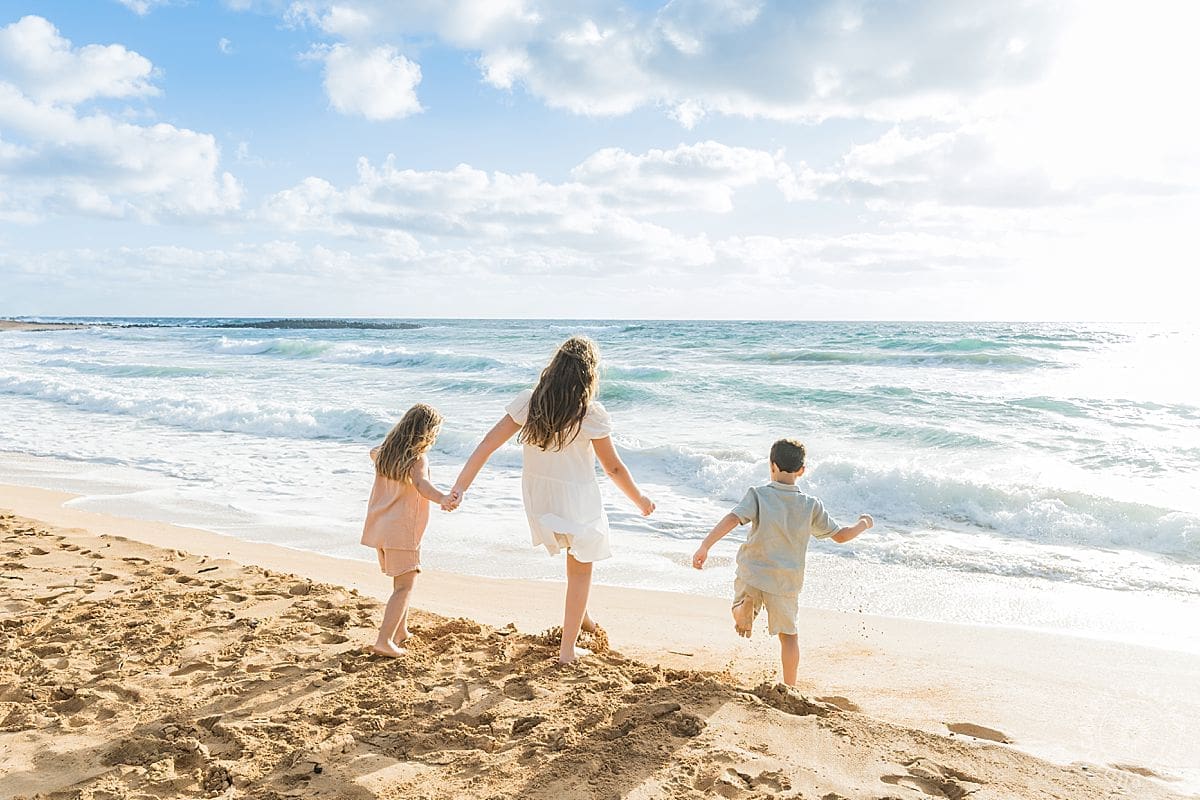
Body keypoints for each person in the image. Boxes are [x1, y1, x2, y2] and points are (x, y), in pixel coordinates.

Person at [446, 336, 655, 664]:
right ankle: (567, 650)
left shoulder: (530, 403)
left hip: (541, 498)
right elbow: (613, 468)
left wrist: (460, 487)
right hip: (577, 499)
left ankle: (583, 619)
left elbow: (487, 444)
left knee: (576, 560)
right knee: (580, 570)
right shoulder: (588, 413)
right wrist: (639, 499)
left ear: (554, 368)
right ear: (589, 375)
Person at [691, 438, 873, 686]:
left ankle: (743, 611)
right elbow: (841, 536)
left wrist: (705, 545)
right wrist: (863, 523)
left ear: (772, 465)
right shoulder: (810, 505)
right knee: (789, 637)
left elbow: (732, 519)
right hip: (786, 582)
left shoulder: (759, 495)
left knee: (738, 608)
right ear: (802, 470)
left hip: (753, 572)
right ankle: (790, 686)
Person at [361, 403, 450, 657]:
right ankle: (384, 640)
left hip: (380, 528)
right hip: (402, 531)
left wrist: (392, 445)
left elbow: (372, 451)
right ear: (426, 433)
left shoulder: (384, 454)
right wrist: (443, 498)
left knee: (400, 583)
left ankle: (401, 631)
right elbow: (422, 485)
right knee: (404, 587)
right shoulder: (417, 459)